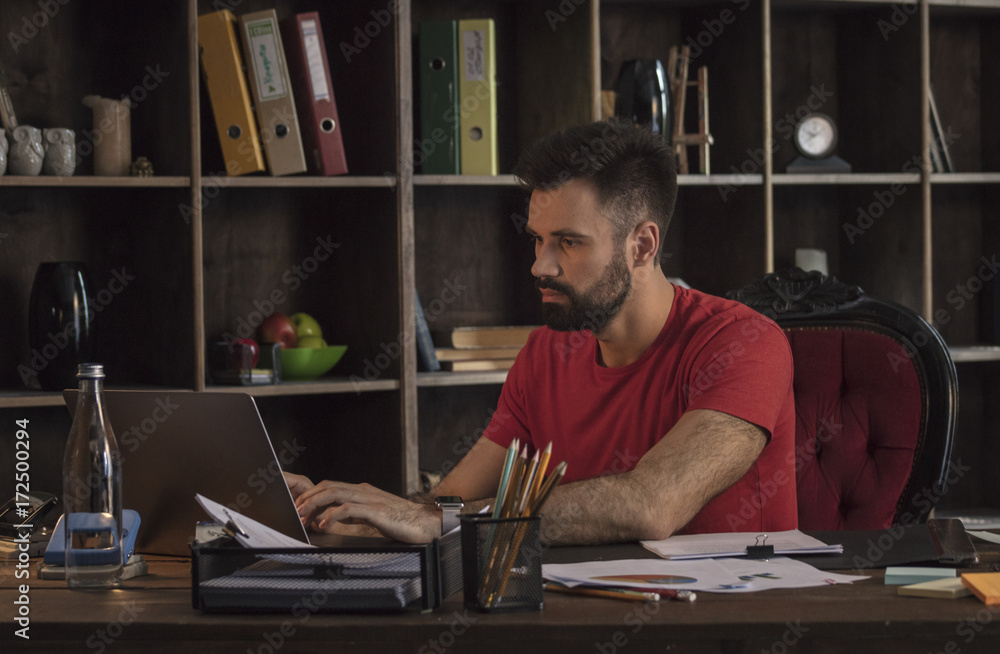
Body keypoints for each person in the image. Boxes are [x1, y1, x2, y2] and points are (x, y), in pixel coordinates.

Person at [286, 119, 797, 546]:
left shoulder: (745, 344)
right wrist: (335, 515)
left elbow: (651, 504)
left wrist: (439, 521)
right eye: (538, 240)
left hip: (727, 628)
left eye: (569, 243)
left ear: (642, 245)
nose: (540, 266)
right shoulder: (546, 352)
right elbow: (449, 505)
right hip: (584, 619)